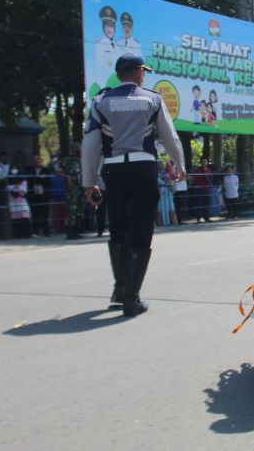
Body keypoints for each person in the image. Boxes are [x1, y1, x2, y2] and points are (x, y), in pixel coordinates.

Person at [82, 53, 186, 316]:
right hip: (143, 168)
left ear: (118, 75)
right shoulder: (152, 99)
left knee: (117, 226)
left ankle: (119, 288)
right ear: (139, 73)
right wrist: (180, 166)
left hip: (113, 170)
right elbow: (169, 136)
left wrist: (88, 182)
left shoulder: (100, 101)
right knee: (141, 229)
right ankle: (132, 298)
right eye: (144, 71)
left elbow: (91, 144)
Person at [62, 144, 86, 240]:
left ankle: (76, 231)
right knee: (71, 211)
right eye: (77, 150)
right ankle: (69, 232)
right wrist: (66, 176)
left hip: (81, 188)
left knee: (80, 211)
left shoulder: (81, 161)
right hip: (72, 190)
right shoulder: (66, 160)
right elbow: (57, 169)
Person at [94, 5, 121, 86]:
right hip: (105, 84)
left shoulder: (118, 45)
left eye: (111, 26)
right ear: (103, 27)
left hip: (119, 84)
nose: (109, 30)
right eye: (106, 26)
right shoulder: (99, 44)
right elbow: (98, 69)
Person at [27, 155, 52, 236]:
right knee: (35, 215)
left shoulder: (46, 170)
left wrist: (37, 180)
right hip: (34, 196)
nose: (37, 162)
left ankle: (46, 232)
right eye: (35, 160)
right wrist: (40, 179)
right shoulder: (30, 170)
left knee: (45, 215)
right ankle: (35, 232)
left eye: (38, 160)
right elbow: (30, 180)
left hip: (44, 195)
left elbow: (47, 181)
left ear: (41, 161)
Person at [7, 165, 32, 238]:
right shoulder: (8, 178)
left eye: (15, 168)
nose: (14, 170)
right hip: (12, 201)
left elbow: (24, 190)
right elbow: (7, 188)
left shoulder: (22, 178)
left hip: (21, 201)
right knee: (15, 219)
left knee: (24, 217)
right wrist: (16, 186)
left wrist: (16, 187)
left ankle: (26, 234)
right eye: (12, 168)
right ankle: (17, 235)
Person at [191, 158, 213, 223]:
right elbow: (194, 178)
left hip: (207, 189)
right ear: (201, 162)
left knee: (207, 203)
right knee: (199, 204)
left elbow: (211, 178)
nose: (204, 162)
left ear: (207, 162)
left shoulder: (209, 170)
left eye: (206, 161)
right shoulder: (197, 170)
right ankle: (198, 218)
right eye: (203, 161)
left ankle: (206, 217)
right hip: (199, 189)